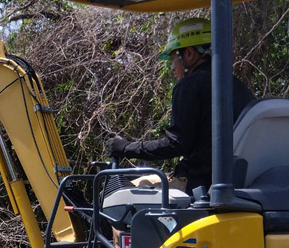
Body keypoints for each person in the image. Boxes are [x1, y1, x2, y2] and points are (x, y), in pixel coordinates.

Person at [106, 17, 254, 195]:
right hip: (230, 185)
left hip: (197, 186)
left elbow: (176, 143)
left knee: (115, 195)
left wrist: (125, 148)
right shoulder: (238, 87)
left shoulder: (190, 85)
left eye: (173, 59)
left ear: (189, 54)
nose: (172, 67)